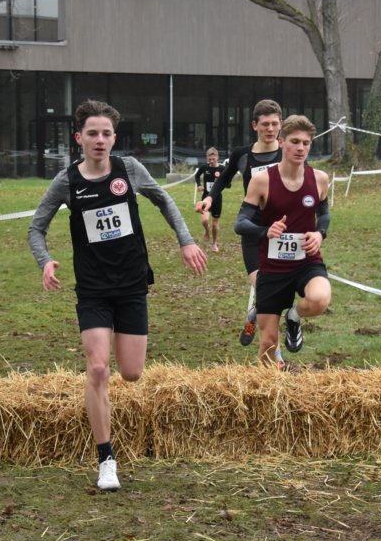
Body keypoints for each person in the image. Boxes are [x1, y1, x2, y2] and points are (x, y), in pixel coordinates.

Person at [28, 100, 207, 492]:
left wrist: (186, 240)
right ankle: (106, 458)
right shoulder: (66, 182)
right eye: (92, 133)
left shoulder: (130, 170)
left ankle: (107, 434)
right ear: (78, 138)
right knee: (97, 369)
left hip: (131, 285)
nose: (100, 140)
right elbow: (35, 228)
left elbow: (164, 200)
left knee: (131, 372)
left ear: (114, 138)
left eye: (106, 133)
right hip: (93, 288)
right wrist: (45, 261)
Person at [233, 115, 331, 366]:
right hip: (273, 267)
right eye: (294, 142)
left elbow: (324, 214)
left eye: (306, 143)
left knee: (320, 299)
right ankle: (270, 387)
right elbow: (240, 223)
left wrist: (319, 233)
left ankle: (294, 317)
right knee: (268, 345)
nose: (300, 148)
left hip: (306, 261)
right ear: (281, 142)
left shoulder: (319, 178)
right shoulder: (262, 180)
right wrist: (265, 231)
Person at [197, 100, 284, 352]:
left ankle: (254, 315)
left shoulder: (288, 153)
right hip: (252, 229)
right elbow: (223, 179)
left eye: (275, 124)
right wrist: (209, 198)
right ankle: (276, 359)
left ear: (281, 124)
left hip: (282, 232)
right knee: (268, 292)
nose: (270, 129)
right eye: (265, 124)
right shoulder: (242, 154)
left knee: (276, 294)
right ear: (255, 125)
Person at [194, 147, 225, 252]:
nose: (211, 161)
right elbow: (197, 176)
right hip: (206, 197)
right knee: (205, 220)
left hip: (217, 199)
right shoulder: (204, 167)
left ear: (217, 157)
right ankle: (207, 230)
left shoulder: (222, 169)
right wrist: (199, 185)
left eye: (213, 159)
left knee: (215, 224)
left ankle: (214, 243)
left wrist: (221, 183)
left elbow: (228, 184)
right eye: (209, 159)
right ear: (207, 157)